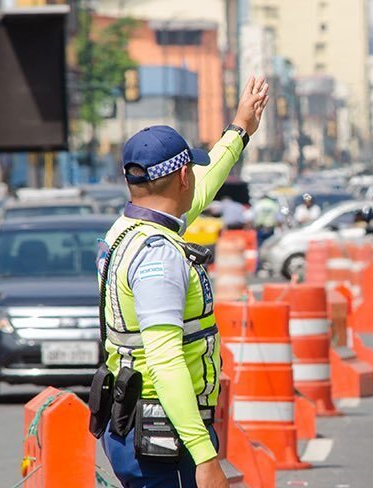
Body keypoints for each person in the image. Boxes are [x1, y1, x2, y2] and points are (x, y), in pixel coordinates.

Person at [95, 76, 269, 488]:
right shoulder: (158, 255)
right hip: (164, 436)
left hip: (136, 422)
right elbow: (165, 359)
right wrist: (205, 456)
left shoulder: (128, 229)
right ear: (183, 177)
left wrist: (240, 130)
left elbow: (205, 187)